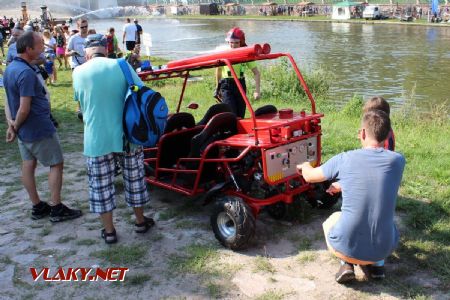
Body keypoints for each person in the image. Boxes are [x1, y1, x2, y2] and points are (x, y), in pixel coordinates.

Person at [297, 110, 405, 284]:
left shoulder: (345, 159)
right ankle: (377, 265)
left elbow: (310, 177)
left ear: (362, 133)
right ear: (388, 135)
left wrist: (305, 165)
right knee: (385, 221)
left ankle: (346, 263)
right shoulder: (398, 161)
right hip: (384, 248)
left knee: (332, 219)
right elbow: (374, 178)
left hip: (348, 248)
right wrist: (343, 184)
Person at [72, 34, 154, 244]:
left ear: (86, 53)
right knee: (134, 181)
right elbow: (144, 92)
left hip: (96, 139)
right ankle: (140, 222)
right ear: (106, 50)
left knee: (101, 186)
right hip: (128, 136)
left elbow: (80, 106)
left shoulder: (78, 72)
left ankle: (109, 232)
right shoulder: (122, 66)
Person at [3, 31, 82, 222]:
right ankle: (56, 208)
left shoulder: (10, 68)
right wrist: (15, 125)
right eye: (39, 45)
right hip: (37, 127)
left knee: (28, 165)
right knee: (56, 163)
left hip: (23, 130)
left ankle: (37, 206)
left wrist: (12, 125)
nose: (44, 49)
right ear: (28, 49)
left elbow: (8, 101)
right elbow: (23, 108)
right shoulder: (26, 73)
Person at [215, 27, 260, 118]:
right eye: (231, 42)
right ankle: (230, 130)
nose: (233, 45)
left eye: (236, 42)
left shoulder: (246, 54)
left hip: (240, 84)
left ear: (241, 42)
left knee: (241, 114)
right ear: (228, 42)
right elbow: (218, 71)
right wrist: (217, 88)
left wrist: (257, 91)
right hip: (226, 85)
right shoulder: (223, 53)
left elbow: (256, 72)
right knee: (231, 114)